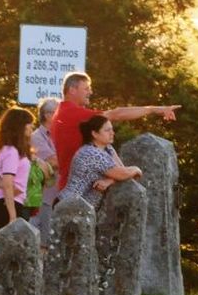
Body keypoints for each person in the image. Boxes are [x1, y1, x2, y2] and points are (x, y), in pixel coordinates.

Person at [50, 72, 178, 193]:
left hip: (71, 187)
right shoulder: (72, 113)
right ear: (72, 90)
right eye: (86, 88)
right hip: (79, 191)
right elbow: (116, 114)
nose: (91, 92)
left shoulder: (61, 112)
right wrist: (153, 110)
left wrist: (111, 179)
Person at [58, 115, 143, 208]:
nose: (112, 133)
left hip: (83, 209)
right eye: (107, 130)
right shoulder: (91, 153)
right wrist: (136, 169)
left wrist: (109, 181)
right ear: (94, 134)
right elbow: (123, 174)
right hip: (69, 207)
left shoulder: (107, 149)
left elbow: (123, 172)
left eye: (112, 129)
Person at [0, 106, 36, 229]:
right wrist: (12, 216)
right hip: (9, 204)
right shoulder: (11, 152)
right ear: (20, 126)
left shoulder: (15, 151)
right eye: (29, 124)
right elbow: (8, 183)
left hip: (16, 201)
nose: (32, 127)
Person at [30, 97, 62, 243]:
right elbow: (53, 161)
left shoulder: (59, 136)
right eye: (58, 112)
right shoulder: (36, 137)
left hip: (60, 197)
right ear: (48, 115)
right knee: (44, 243)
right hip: (45, 198)